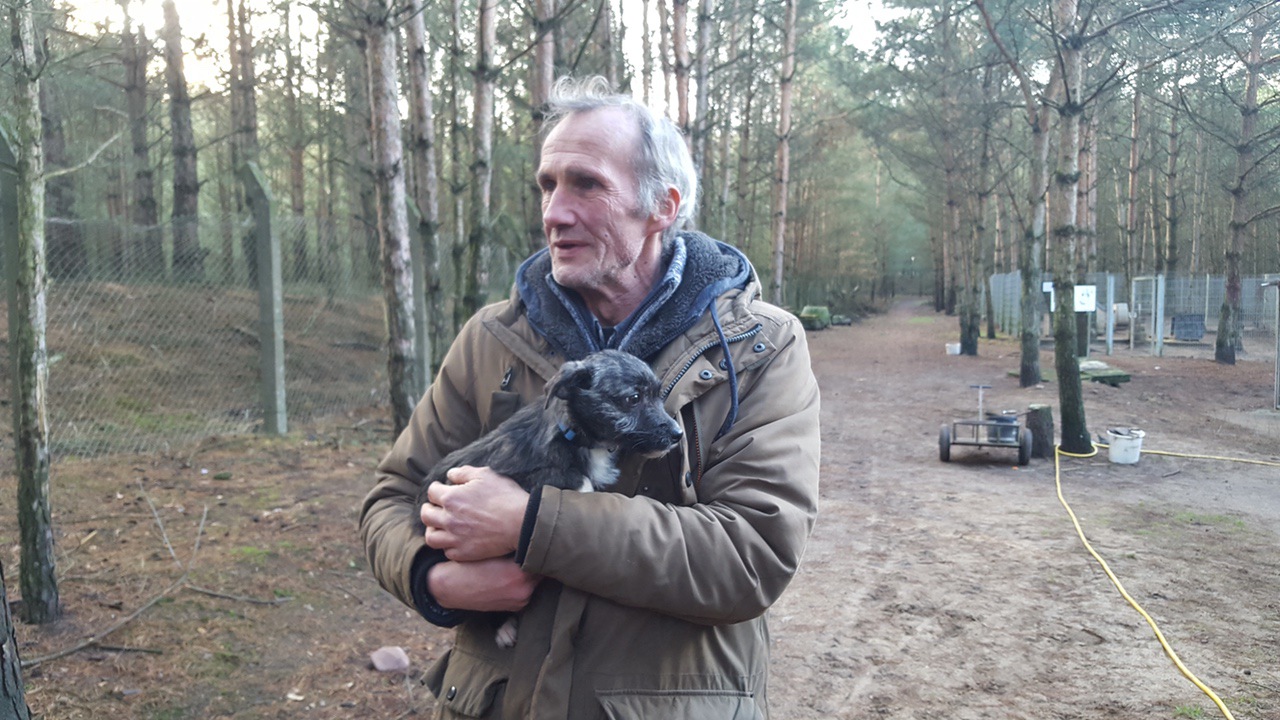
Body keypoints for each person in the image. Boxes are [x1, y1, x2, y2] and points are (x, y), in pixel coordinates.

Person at [360, 75, 821, 720]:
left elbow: (753, 556)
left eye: (586, 184)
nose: (554, 212)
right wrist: (432, 577)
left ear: (661, 206)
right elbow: (392, 498)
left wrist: (532, 523)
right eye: (547, 185)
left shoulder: (758, 346)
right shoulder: (492, 337)